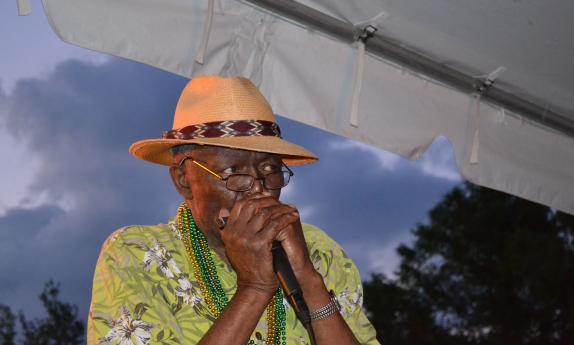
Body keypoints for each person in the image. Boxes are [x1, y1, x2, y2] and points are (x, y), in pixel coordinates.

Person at [87, 76, 379, 345]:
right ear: (183, 180)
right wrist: (254, 287)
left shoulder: (320, 252)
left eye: (269, 169)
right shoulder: (134, 252)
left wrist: (308, 279)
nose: (258, 190)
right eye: (233, 172)